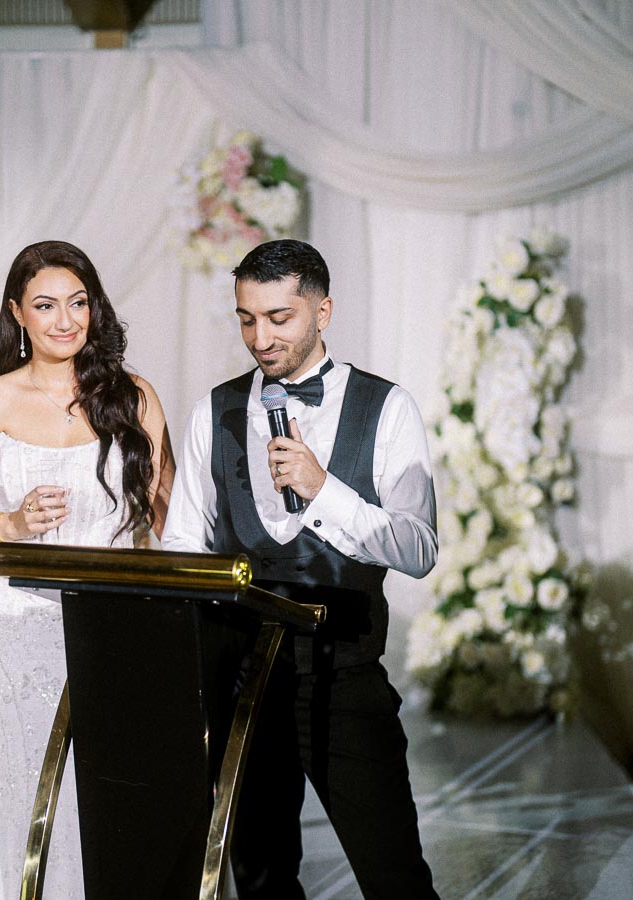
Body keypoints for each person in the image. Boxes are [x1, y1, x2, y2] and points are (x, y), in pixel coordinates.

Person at [161, 239, 440, 899]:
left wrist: (326, 492)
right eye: (246, 318)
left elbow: (419, 548)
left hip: (343, 679)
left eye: (279, 317)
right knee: (261, 878)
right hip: (244, 681)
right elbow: (184, 548)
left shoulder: (388, 408)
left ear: (323, 311)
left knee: (393, 873)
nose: (260, 337)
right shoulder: (215, 411)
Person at [0, 240, 174, 899]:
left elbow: (174, 518)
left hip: (112, 619)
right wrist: (6, 526)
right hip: (7, 618)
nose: (65, 320)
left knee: (104, 791)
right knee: (24, 787)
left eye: (78, 302)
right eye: (46, 305)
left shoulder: (134, 396)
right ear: (18, 313)